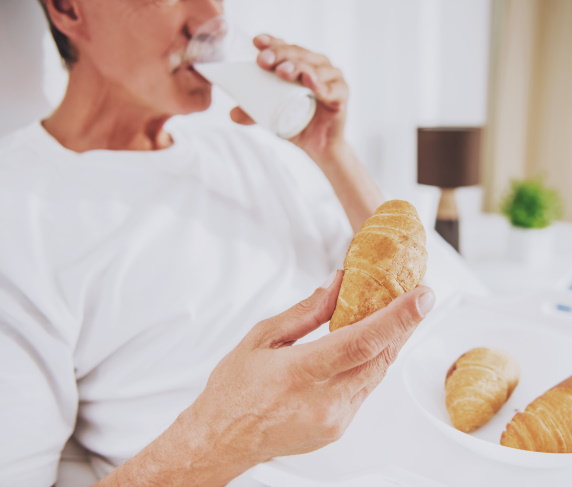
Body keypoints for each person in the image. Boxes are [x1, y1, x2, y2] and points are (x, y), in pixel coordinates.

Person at [0, 1, 489, 486]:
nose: (211, 16)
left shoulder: (249, 152)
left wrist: (332, 151)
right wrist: (228, 436)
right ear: (68, 9)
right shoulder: (18, 208)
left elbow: (416, 291)